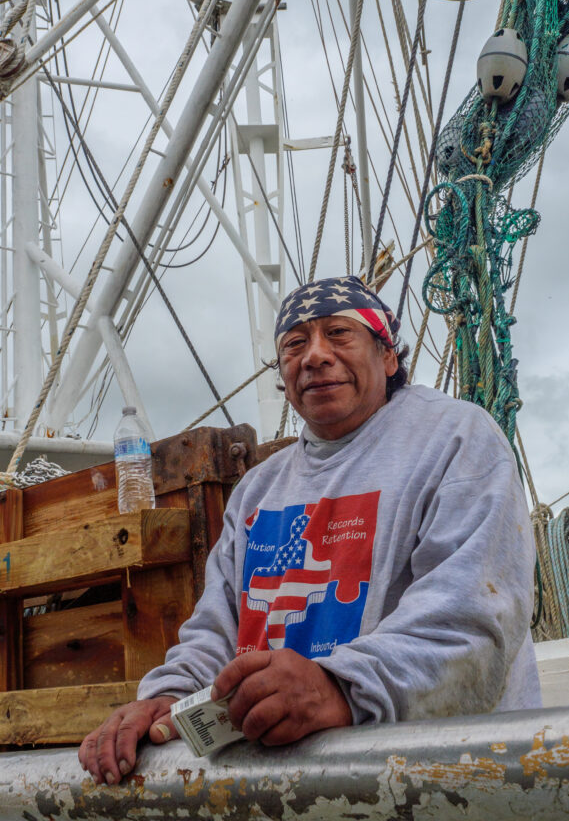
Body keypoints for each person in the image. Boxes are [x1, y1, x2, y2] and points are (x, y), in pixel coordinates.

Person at [79, 275, 540, 785]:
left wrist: (341, 689)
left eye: (340, 333)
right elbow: (218, 630)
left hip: (447, 788)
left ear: (388, 356)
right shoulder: (257, 491)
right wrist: (168, 697)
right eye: (295, 344)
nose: (315, 355)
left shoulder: (457, 438)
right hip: (293, 796)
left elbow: (474, 616)